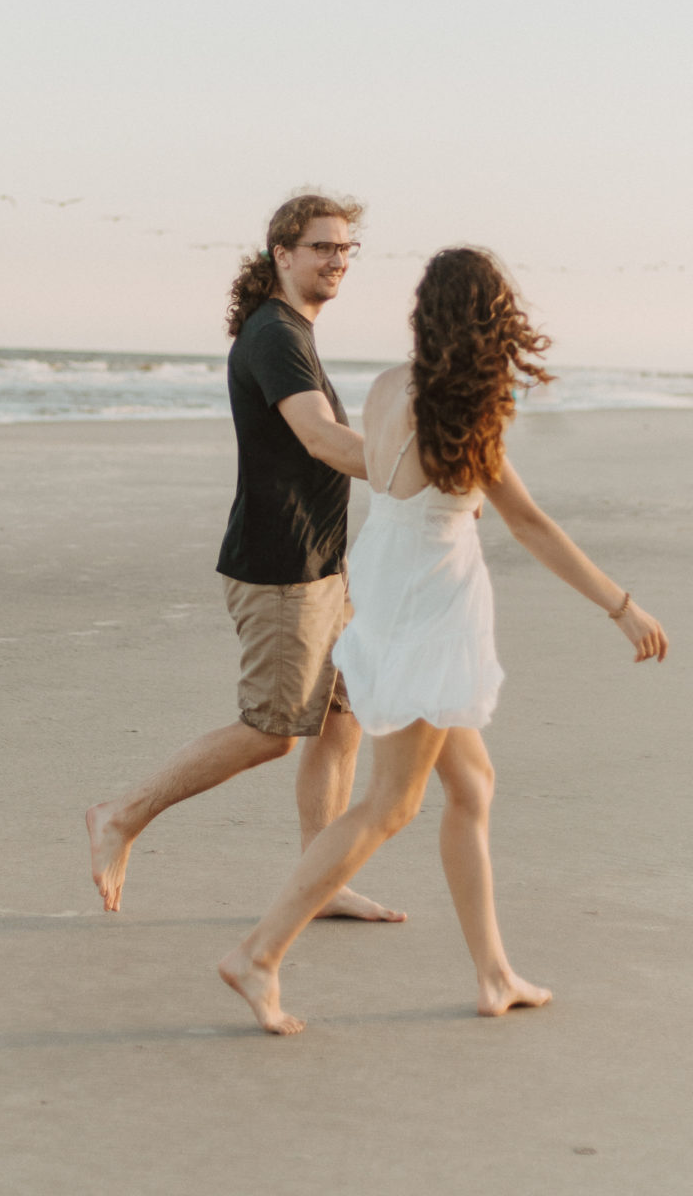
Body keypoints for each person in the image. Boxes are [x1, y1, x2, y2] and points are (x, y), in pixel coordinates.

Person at [219, 246, 669, 1034]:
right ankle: (258, 953)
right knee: (392, 805)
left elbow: (398, 479)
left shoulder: (391, 384)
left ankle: (494, 974)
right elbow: (526, 520)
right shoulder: (471, 405)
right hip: (433, 602)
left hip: (388, 582)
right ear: (493, 318)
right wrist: (620, 605)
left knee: (473, 787)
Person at [87, 192, 403, 922]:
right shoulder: (274, 337)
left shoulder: (292, 331)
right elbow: (321, 440)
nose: (336, 260)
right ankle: (121, 816)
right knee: (271, 733)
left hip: (322, 566)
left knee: (340, 720)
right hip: (281, 572)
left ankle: (319, 881)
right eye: (322, 247)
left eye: (345, 249)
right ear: (281, 254)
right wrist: (419, 472)